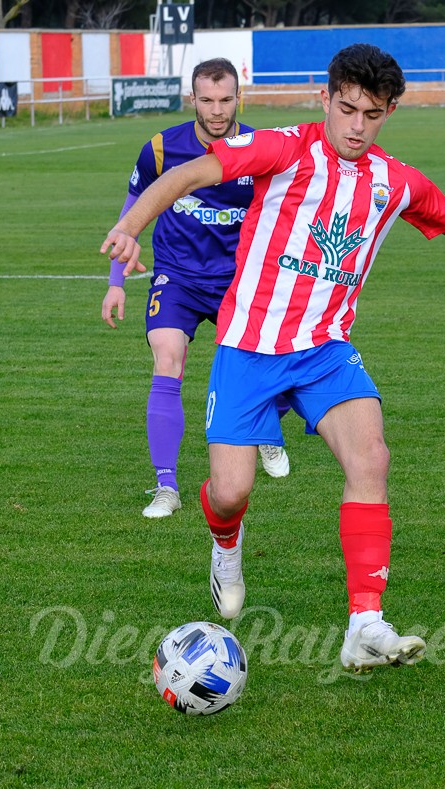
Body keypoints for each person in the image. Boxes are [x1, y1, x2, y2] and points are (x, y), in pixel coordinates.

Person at [102, 43, 445, 672]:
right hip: (249, 347)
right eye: (346, 109)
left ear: (389, 112)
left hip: (325, 351)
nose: (356, 125)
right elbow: (190, 175)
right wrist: (133, 226)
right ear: (326, 99)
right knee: (230, 493)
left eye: (371, 114)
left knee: (371, 457)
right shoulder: (284, 150)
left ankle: (364, 623)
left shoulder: (395, 181)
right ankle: (224, 542)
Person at [101, 58, 293, 519]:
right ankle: (166, 487)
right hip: (178, 276)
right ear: (192, 99)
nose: (217, 110)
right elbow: (131, 214)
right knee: (167, 357)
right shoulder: (162, 149)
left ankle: (266, 424)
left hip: (238, 281)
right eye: (207, 100)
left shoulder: (258, 149)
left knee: (280, 366)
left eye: (226, 99)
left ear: (238, 97)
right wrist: (115, 283)